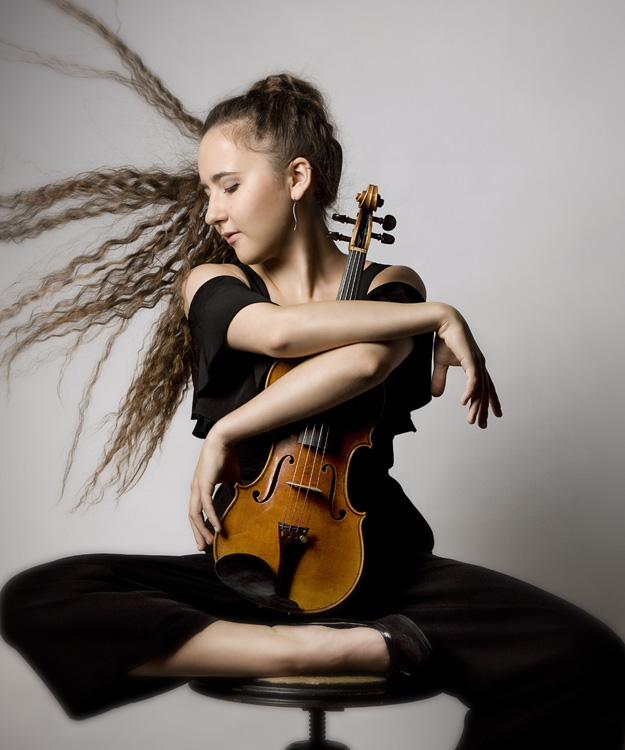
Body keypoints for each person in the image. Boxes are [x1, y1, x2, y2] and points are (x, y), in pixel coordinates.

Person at [1, 2, 624, 748]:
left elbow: (361, 365)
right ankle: (311, 645)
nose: (212, 211)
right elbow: (279, 332)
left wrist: (417, 318)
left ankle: (370, 634)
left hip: (378, 563)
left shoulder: (391, 284)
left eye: (227, 186)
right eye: (206, 191)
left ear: (295, 178)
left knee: (586, 658)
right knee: (39, 596)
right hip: (246, 564)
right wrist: (436, 320)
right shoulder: (211, 283)